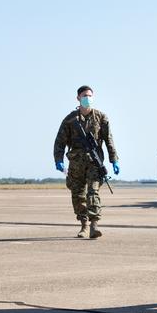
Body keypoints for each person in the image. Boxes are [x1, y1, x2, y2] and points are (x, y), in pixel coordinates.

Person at [53, 85, 119, 239]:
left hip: (94, 163)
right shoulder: (70, 119)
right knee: (77, 195)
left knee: (93, 192)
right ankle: (84, 225)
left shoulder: (101, 117)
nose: (87, 98)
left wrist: (114, 159)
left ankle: (94, 226)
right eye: (84, 95)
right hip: (76, 164)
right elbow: (59, 142)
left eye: (89, 95)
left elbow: (109, 140)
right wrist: (59, 160)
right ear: (78, 98)